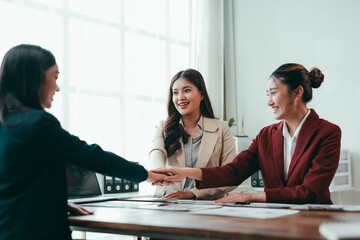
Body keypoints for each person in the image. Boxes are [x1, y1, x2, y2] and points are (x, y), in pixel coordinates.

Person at [0, 44, 166, 240]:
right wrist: (145, 174)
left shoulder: (7, 124)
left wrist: (56, 203)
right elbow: (91, 156)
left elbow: (16, 183)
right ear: (35, 78)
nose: (57, 87)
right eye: (55, 76)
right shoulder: (39, 124)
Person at [153, 63, 341, 204]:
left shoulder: (328, 133)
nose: (269, 101)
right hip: (275, 225)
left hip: (313, 224)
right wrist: (185, 172)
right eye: (267, 94)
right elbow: (232, 172)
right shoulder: (266, 136)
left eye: (273, 93)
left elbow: (311, 191)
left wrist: (251, 196)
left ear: (297, 93)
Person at [149, 68, 237, 200]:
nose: (180, 97)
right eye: (175, 92)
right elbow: (156, 153)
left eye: (187, 90)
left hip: (207, 204)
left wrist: (192, 194)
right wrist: (158, 172)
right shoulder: (163, 127)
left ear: (201, 94)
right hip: (168, 201)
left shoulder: (222, 129)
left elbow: (231, 175)